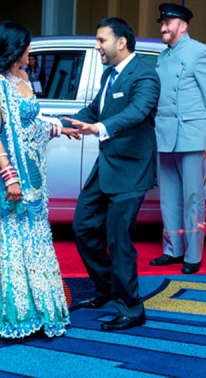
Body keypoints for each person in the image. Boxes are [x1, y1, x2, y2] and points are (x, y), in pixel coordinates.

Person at [0, 20, 78, 340]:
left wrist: (61, 128)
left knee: (36, 234)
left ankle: (39, 306)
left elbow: (30, 124)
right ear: (12, 49)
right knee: (13, 235)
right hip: (9, 171)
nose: (30, 52)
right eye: (26, 46)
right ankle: (12, 311)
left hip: (33, 170)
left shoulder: (23, 77)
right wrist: (10, 177)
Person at [64, 17, 160, 331]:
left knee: (119, 240)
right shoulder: (110, 74)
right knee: (83, 227)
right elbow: (94, 110)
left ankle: (132, 309)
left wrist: (100, 128)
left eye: (101, 40)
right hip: (107, 166)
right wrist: (61, 125)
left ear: (121, 42)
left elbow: (136, 112)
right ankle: (106, 289)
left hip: (131, 169)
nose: (97, 46)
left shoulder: (145, 76)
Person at [149, 2, 206, 274]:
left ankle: (193, 255)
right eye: (161, 23)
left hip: (192, 137)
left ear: (183, 25)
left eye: (167, 23)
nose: (163, 27)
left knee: (193, 197)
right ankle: (173, 250)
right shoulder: (163, 56)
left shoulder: (199, 53)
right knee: (168, 197)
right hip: (165, 136)